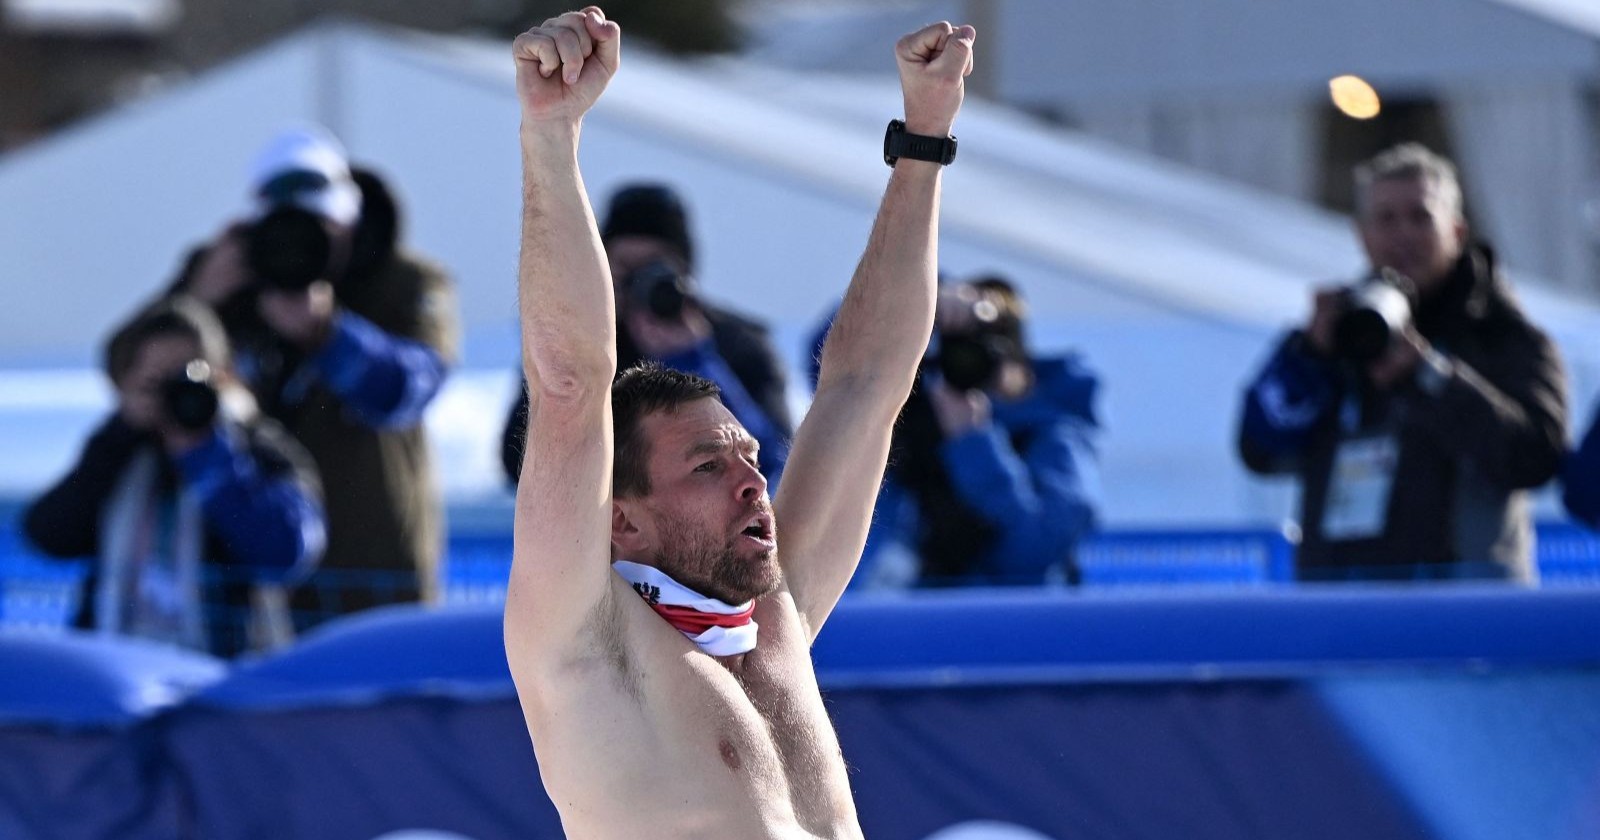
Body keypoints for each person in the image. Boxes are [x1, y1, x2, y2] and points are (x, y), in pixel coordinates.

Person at [502, 7, 972, 835]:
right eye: (706, 467)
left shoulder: (773, 616)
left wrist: (925, 139)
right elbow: (572, 387)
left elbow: (865, 384)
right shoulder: (587, 645)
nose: (755, 482)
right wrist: (551, 140)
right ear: (621, 519)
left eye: (747, 456)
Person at [165, 126, 460, 628]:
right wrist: (195, 299)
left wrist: (329, 335)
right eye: (281, 229)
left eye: (318, 229)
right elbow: (128, 368)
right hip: (243, 583)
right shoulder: (228, 276)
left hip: (373, 578)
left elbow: (410, 388)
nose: (296, 249)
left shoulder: (405, 283)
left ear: (351, 220)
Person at [1238, 143, 1566, 582]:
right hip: (1345, 618)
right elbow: (1258, 449)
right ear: (1360, 233)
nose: (1403, 235)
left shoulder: (1504, 336)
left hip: (1464, 622)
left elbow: (1534, 457)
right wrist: (1309, 359)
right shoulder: (1340, 336)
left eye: (1420, 217)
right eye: (1386, 219)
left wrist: (1432, 378)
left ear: (1457, 230)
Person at [22, 297, 324, 656]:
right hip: (119, 669)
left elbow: (287, 551)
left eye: (189, 377)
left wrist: (207, 455)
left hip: (226, 673)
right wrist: (119, 435)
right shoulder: (120, 452)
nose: (176, 396)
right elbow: (48, 535)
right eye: (157, 384)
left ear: (223, 376)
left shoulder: (261, 450)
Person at [808, 276, 1100, 587]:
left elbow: (1037, 551)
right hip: (906, 621)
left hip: (1001, 625)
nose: (967, 368)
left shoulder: (1053, 432)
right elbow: (834, 366)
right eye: (955, 354)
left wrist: (974, 443)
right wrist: (914, 296)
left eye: (982, 352)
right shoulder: (913, 421)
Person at [499, 182, 794, 486]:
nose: (640, 283)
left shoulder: (738, 346)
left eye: (654, 269)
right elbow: (519, 462)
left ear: (683, 269)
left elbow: (774, 464)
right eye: (626, 269)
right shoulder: (584, 346)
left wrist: (695, 363)